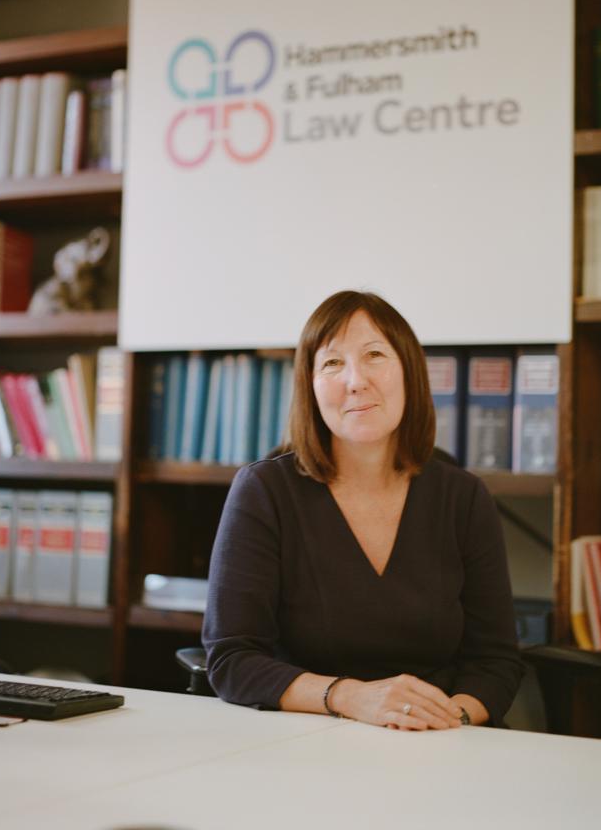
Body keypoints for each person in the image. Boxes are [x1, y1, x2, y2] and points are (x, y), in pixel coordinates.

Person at [203, 290, 525, 729]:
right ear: (310, 387)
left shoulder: (463, 497)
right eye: (332, 363)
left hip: (441, 740)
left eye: (375, 354)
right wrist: (352, 698)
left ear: (409, 372)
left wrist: (436, 721)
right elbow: (232, 658)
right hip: (305, 740)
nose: (356, 380)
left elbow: (496, 661)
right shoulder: (264, 491)